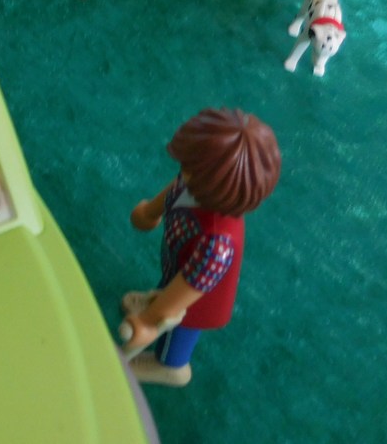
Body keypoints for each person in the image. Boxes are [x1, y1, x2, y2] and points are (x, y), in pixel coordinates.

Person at [120, 108, 282, 387]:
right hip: (180, 264)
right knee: (170, 287)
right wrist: (150, 212)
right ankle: (157, 300)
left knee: (179, 323)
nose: (184, 173)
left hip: (199, 298)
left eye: (191, 168)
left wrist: (149, 320)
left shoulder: (217, 243)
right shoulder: (193, 181)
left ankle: (171, 366)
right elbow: (174, 191)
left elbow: (188, 288)